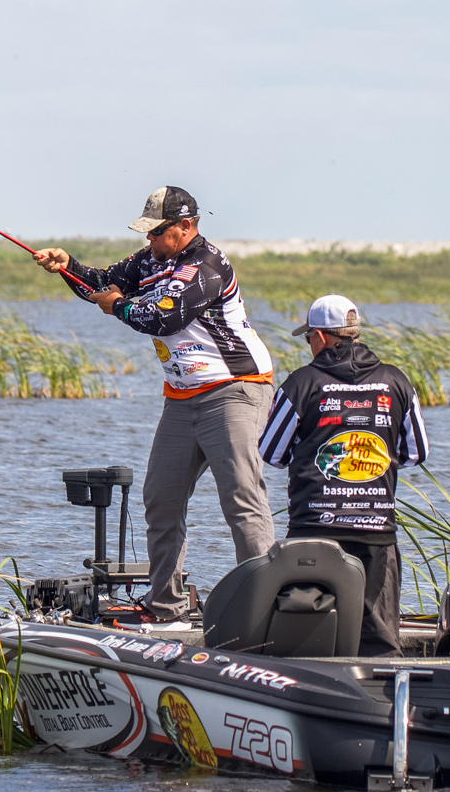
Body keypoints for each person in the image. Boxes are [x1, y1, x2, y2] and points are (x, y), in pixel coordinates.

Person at [32, 187, 277, 622]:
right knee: (160, 498)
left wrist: (119, 307)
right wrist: (68, 268)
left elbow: (163, 317)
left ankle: (265, 606)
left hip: (235, 389)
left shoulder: (206, 266)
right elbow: (101, 284)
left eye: (158, 232)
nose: (150, 241)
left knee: (241, 496)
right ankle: (166, 605)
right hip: (182, 399)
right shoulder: (149, 260)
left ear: (186, 226)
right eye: (147, 233)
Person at [257, 295, 428, 657]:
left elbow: (271, 453)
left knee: (307, 631)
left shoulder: (300, 384)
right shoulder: (397, 382)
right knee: (378, 639)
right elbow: (416, 453)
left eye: (308, 338)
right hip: (376, 530)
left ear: (319, 336)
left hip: (314, 528)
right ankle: (384, 693)